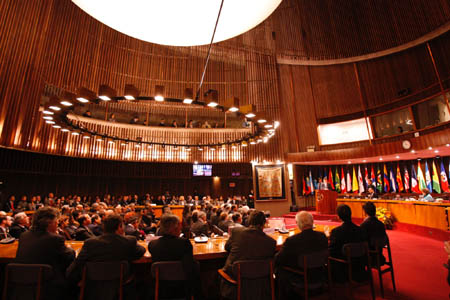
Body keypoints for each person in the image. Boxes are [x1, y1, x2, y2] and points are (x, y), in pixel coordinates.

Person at [67, 214, 146, 298]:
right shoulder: (129, 241)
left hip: (94, 283)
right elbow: (141, 251)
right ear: (120, 226)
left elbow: (78, 263)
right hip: (121, 282)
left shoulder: (90, 243)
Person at [15, 207, 75, 299]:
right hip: (47, 284)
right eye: (57, 223)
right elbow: (70, 255)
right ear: (49, 223)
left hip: (21, 281)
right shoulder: (55, 238)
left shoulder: (24, 235)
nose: (57, 225)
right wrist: (68, 248)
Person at [221, 210, 276, 300]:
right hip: (261, 286)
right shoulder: (271, 242)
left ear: (249, 221)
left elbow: (227, 247)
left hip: (235, 281)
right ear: (264, 223)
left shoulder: (237, 232)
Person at [275, 211, 328, 299]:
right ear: (312, 222)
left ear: (298, 224)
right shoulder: (322, 236)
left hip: (302, 278)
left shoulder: (292, 241)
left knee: (279, 269)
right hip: (321, 275)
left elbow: (278, 260)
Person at [148, 214, 202, 299]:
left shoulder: (152, 245)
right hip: (183, 287)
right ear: (174, 229)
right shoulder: (185, 243)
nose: (180, 229)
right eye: (179, 227)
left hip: (161, 287)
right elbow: (189, 268)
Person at [329, 204, 366, 283]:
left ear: (338, 216)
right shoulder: (360, 229)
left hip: (343, 268)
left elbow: (332, 251)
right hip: (359, 265)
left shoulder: (336, 231)